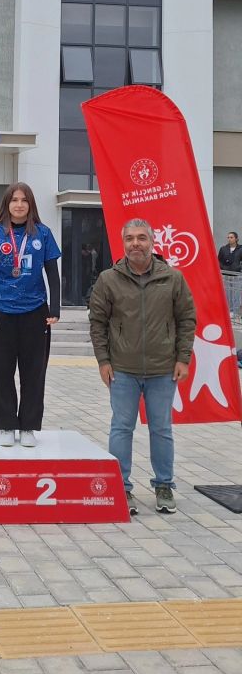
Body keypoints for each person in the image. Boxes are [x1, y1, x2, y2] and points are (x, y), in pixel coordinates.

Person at [88, 218, 196, 517]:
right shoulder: (108, 279)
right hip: (122, 369)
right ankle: (120, 487)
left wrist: (183, 358)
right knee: (121, 428)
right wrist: (103, 361)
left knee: (161, 429)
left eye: (141, 238)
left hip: (163, 369)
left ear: (152, 242)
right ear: (123, 243)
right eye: (130, 238)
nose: (136, 243)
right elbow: (97, 323)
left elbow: (187, 319)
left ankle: (164, 486)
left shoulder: (172, 278)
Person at [0, 182, 61, 448]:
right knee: (0, 371)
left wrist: (55, 308)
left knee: (33, 372)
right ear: (7, 204)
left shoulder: (43, 234)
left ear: (31, 204)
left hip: (35, 312)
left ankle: (28, 426)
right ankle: (5, 424)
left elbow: (52, 273)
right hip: (0, 312)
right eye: (14, 200)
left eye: (24, 200)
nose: (19, 205)